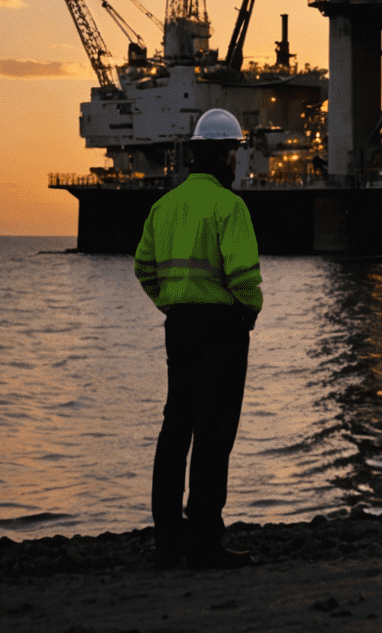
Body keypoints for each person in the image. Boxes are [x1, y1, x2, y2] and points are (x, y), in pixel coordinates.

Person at [134, 108, 263, 570]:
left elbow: (144, 268)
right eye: (235, 153)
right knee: (213, 433)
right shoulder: (230, 207)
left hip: (179, 328)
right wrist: (249, 310)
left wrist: (170, 304)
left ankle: (167, 541)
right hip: (222, 329)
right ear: (226, 154)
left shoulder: (163, 207)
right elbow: (244, 274)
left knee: (175, 429)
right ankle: (206, 541)